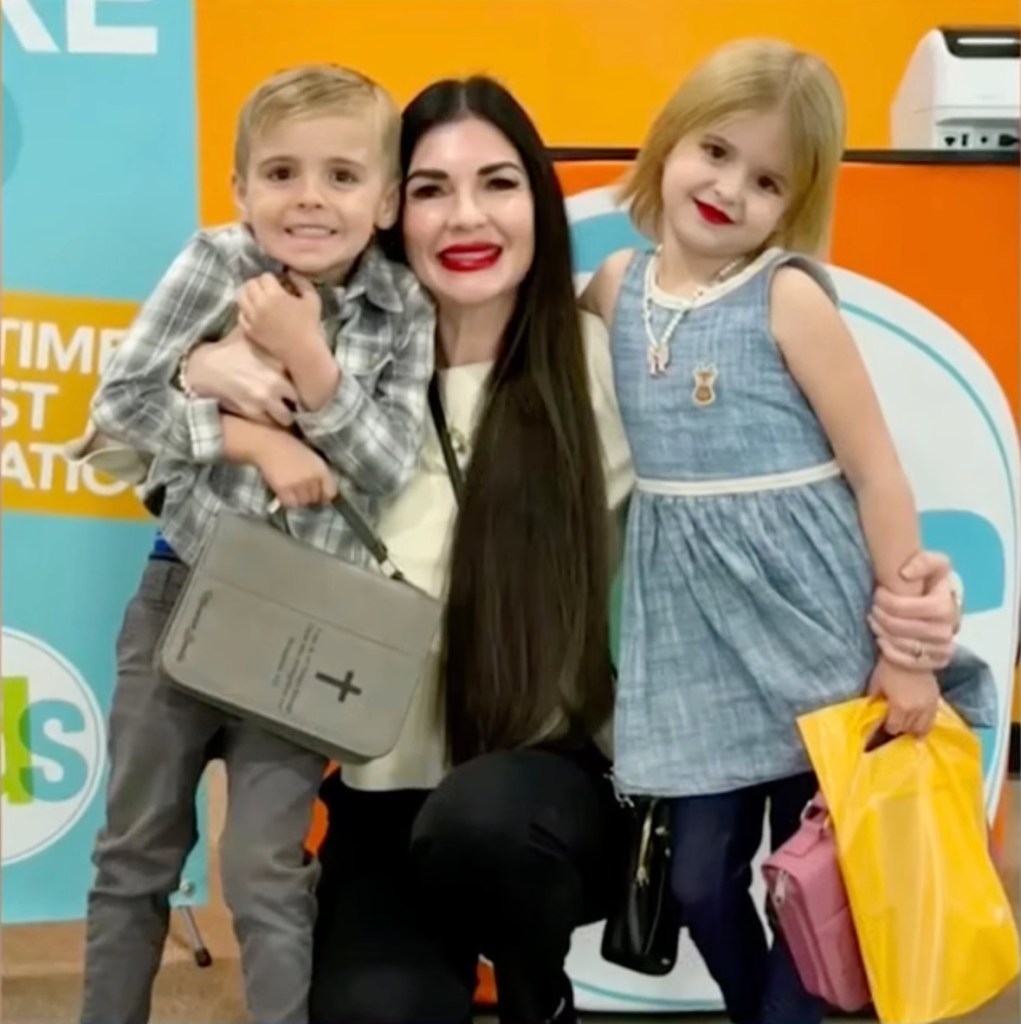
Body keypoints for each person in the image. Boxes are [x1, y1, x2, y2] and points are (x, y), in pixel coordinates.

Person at [184, 75, 965, 1024]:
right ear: (390, 209)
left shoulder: (604, 355)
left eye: (499, 183)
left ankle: (535, 992)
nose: (465, 216)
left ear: (538, 203)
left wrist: (913, 601)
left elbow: (778, 482)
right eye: (431, 188)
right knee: (373, 1010)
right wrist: (203, 379)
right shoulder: (318, 360)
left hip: (548, 789)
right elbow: (137, 442)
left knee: (485, 825)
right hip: (385, 792)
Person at [581, 39, 996, 1024]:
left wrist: (903, 654)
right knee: (696, 884)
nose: (729, 188)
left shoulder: (788, 296)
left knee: (826, 871)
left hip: (808, 622)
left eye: (766, 179)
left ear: (796, 199)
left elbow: (875, 472)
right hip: (687, 638)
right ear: (668, 143)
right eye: (714, 151)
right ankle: (754, 1001)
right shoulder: (610, 287)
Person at [77, 65, 435, 1024]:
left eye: (341, 177)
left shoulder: (404, 308)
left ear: (386, 200)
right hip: (182, 593)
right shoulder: (211, 262)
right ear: (241, 188)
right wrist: (251, 437)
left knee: (265, 865)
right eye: (280, 173)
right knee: (135, 850)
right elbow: (118, 407)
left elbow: (386, 460)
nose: (309, 198)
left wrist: (307, 360)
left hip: (306, 623)